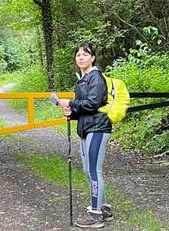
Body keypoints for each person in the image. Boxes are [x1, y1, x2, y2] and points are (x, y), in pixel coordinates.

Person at [57, 42, 113, 228]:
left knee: (94, 171)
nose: (80, 57)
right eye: (78, 54)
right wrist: (71, 113)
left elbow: (93, 103)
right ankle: (104, 208)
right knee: (89, 171)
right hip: (87, 128)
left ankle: (95, 215)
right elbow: (83, 107)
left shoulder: (96, 77)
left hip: (98, 128)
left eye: (85, 54)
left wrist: (71, 103)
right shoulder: (82, 79)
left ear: (93, 58)